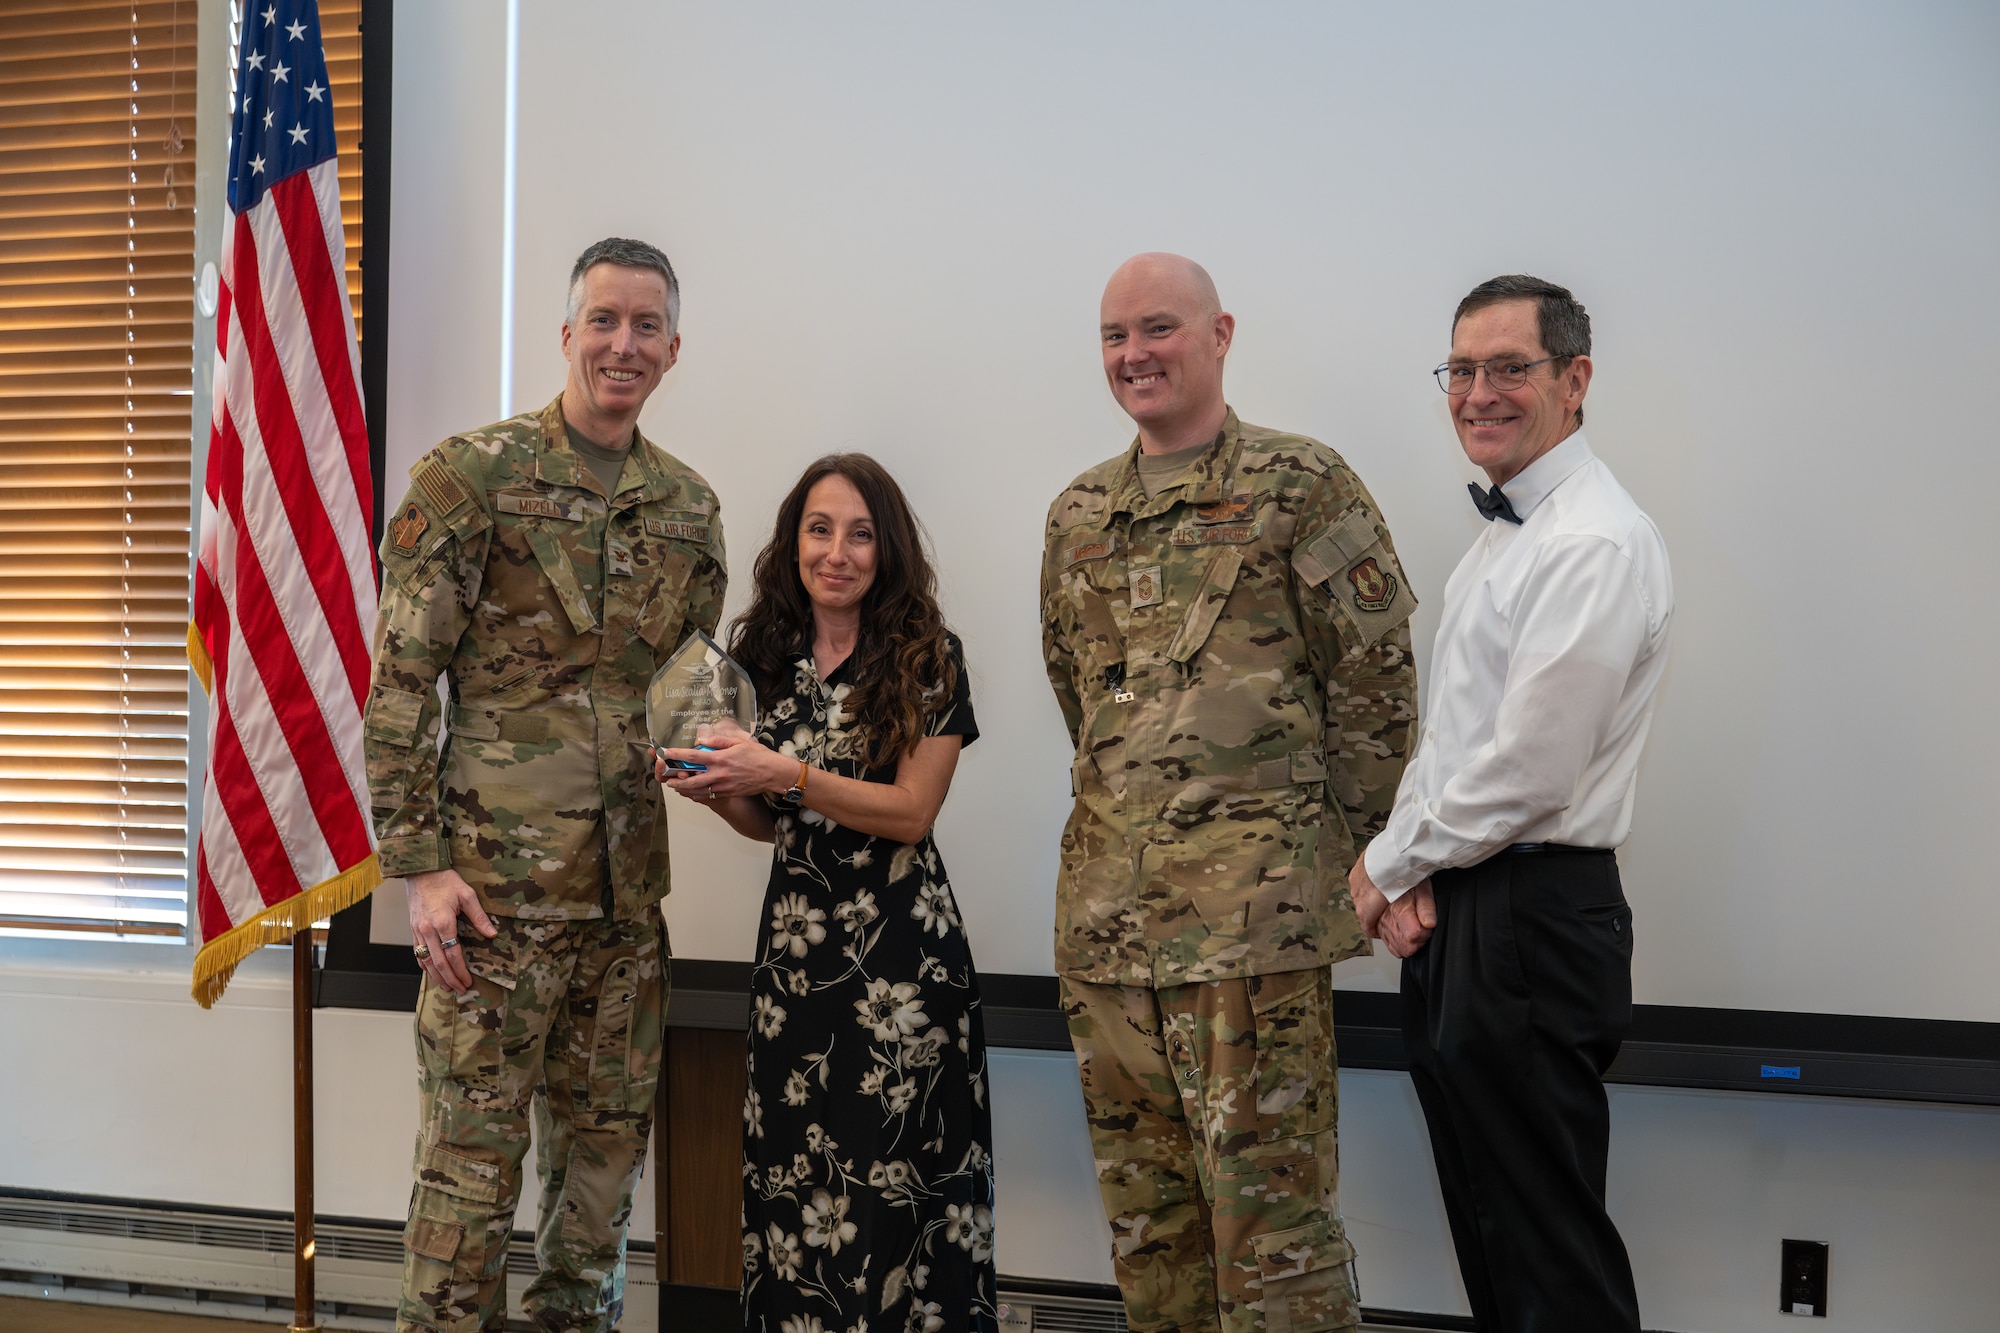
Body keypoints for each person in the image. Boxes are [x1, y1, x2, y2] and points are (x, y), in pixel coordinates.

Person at [1039, 253, 1418, 1333]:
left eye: (1157, 328)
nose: (1132, 355)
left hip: (1253, 936)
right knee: (1151, 1242)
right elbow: (1085, 707)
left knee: (1275, 1248)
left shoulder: (1302, 485)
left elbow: (1374, 691)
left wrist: (1360, 866)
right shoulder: (1076, 516)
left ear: (1219, 334)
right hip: (1109, 938)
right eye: (1113, 336)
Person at [363, 236, 726, 1332]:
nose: (625, 344)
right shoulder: (468, 478)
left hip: (624, 917)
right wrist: (420, 869)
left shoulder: (688, 509)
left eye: (646, 325)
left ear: (672, 347)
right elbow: (398, 689)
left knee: (597, 1201)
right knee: (466, 1191)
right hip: (491, 909)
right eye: (604, 320)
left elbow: (683, 697)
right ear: (566, 334)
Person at [1349, 275, 1674, 1333]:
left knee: (1549, 1266)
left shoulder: (1588, 540)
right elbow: (1452, 744)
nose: (1476, 392)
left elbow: (1528, 771)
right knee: (1498, 1241)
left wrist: (1390, 864)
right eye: (1460, 369)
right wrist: (1405, 865)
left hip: (1527, 921)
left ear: (1574, 381)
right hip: (1474, 910)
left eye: (1507, 368)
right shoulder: (1507, 535)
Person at [659, 454, 996, 1333]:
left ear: (887, 549)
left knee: (893, 1201)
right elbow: (774, 824)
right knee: (793, 1193)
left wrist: (789, 771)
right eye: (819, 529)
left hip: (902, 977)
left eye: (859, 533)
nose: (836, 552)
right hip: (796, 980)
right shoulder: (761, 656)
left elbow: (912, 813)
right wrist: (714, 785)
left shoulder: (929, 656)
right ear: (793, 541)